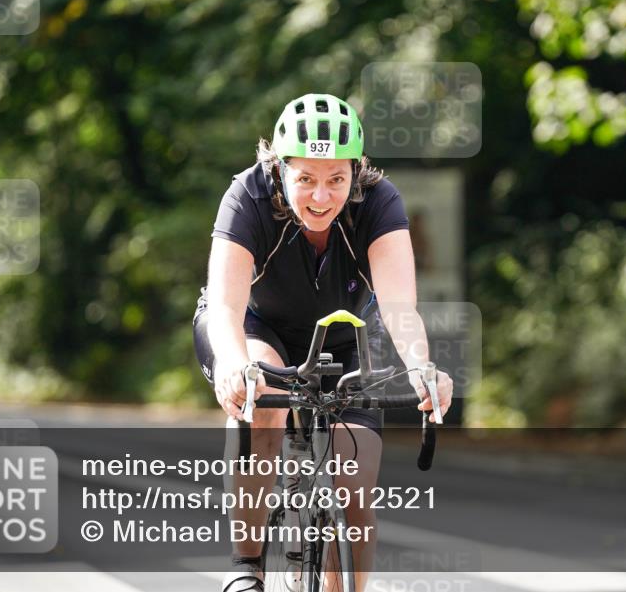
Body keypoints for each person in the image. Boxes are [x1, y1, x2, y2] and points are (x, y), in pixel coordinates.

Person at [192, 93, 454, 592]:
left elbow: (399, 307)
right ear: (280, 168)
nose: (320, 196)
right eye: (306, 179)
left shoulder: (379, 201)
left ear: (355, 173)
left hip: (345, 336)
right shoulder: (246, 197)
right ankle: (247, 567)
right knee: (260, 399)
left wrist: (422, 365)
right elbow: (226, 307)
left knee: (354, 485)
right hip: (252, 327)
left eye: (336, 179)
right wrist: (231, 364)